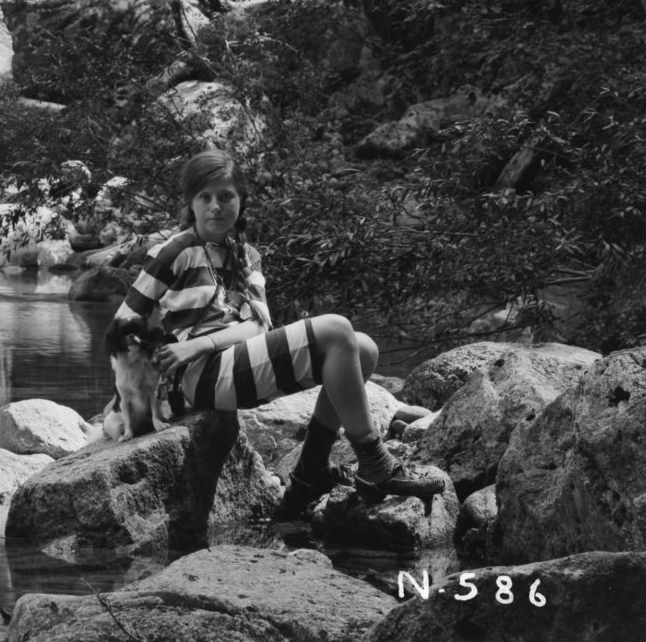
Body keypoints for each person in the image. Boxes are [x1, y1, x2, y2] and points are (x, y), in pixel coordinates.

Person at [106, 145, 444, 515]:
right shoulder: (175, 251)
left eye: (225, 196)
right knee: (337, 329)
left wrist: (202, 343)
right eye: (204, 197)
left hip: (231, 364)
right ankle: (376, 464)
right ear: (191, 203)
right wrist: (130, 398)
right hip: (192, 379)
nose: (215, 206)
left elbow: (257, 325)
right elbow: (124, 326)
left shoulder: (247, 255)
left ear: (241, 201)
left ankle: (309, 473)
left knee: (362, 349)